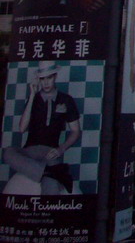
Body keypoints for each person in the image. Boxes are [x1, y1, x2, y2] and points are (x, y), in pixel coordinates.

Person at [2, 62, 81, 195]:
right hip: (29, 151)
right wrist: (32, 95)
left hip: (50, 152)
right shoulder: (34, 99)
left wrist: (61, 149)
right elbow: (22, 128)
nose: (46, 82)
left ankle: (49, 175)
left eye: (49, 77)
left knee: (50, 186)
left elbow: (76, 131)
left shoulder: (66, 99)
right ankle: (49, 172)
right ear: (39, 79)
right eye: (42, 78)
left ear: (55, 77)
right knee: (8, 153)